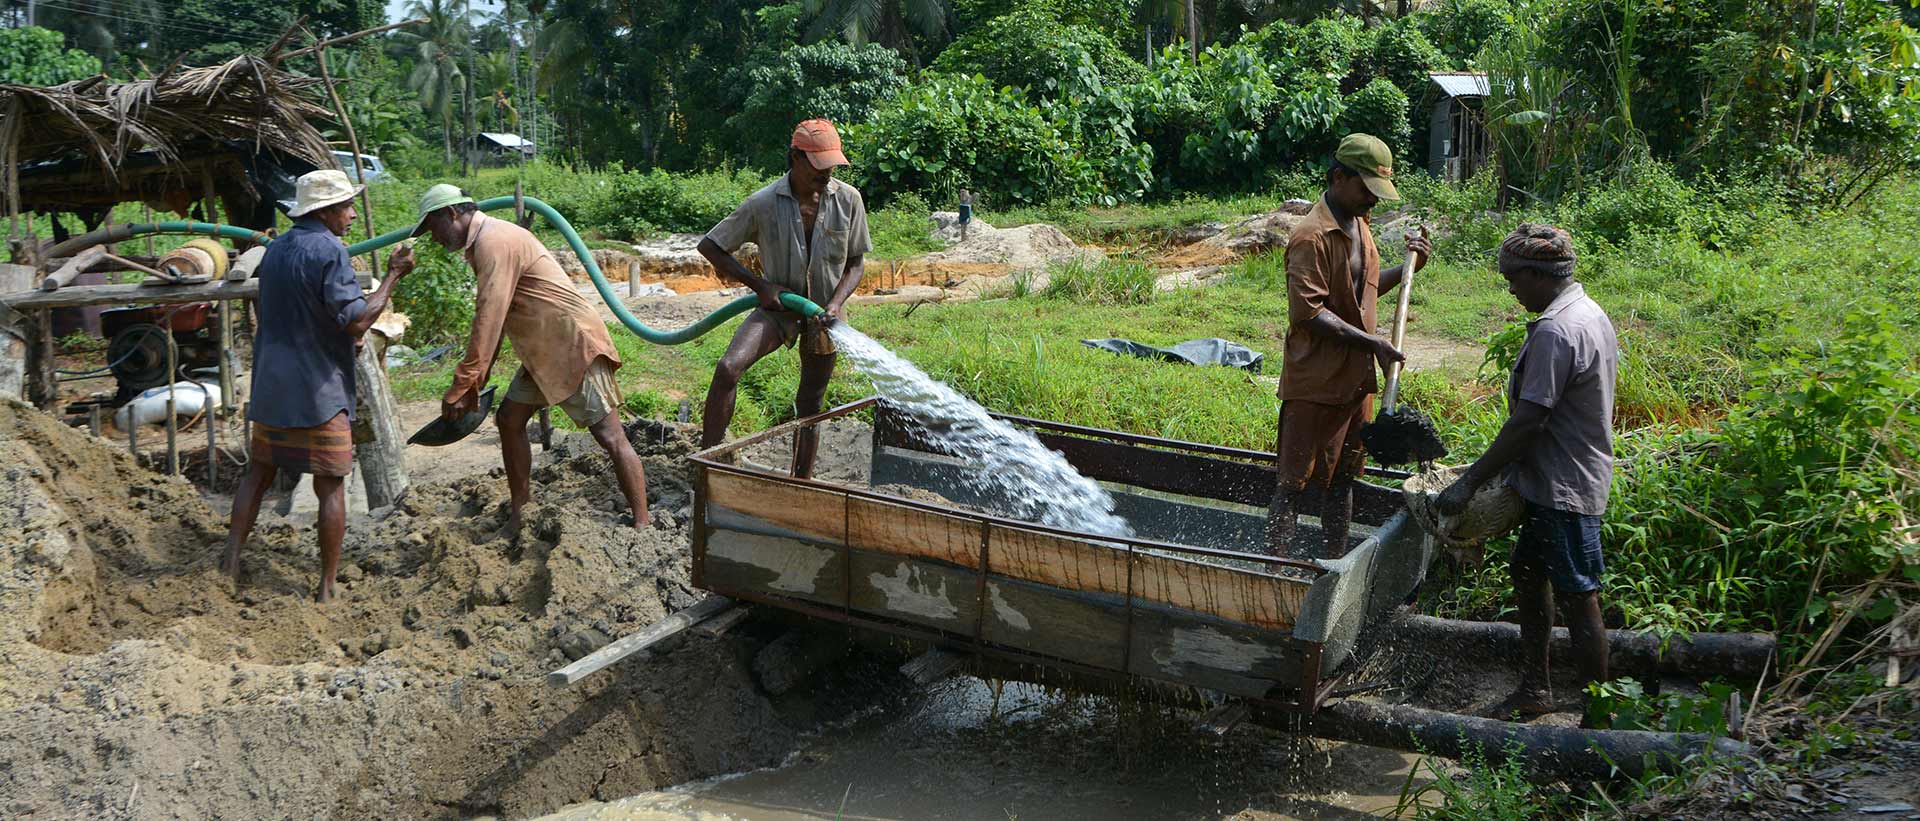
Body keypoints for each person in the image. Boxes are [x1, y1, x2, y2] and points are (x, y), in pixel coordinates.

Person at [1437, 223, 1618, 718]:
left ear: (1539, 275)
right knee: (1528, 571)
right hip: (1552, 477)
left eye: (1513, 279)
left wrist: (1469, 481)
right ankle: (1536, 689)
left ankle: (1599, 721)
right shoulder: (1586, 311)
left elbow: (1528, 422)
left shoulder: (1559, 331)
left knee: (1580, 596)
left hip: (1564, 483)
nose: (1511, 289)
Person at [223, 169, 414, 602]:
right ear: (326, 212)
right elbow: (357, 320)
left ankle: (230, 561)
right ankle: (326, 587)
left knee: (258, 473)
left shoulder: (277, 249)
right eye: (346, 207)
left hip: (272, 383)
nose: (351, 215)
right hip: (317, 388)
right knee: (330, 482)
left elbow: (296, 309)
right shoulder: (330, 250)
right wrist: (393, 275)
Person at [415, 184, 650, 531]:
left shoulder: (494, 242)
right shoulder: (487, 241)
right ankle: (520, 510)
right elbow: (494, 323)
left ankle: (642, 524)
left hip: (571, 344)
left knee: (610, 435)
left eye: (432, 228)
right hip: (542, 351)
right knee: (509, 420)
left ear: (451, 214)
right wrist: (474, 380)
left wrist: (464, 382)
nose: (434, 238)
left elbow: (488, 316)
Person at [1268, 134, 1432, 560]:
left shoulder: (1360, 225)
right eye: (1366, 191)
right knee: (1293, 486)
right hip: (1316, 385)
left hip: (1355, 384)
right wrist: (1371, 342)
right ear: (1338, 177)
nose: (1372, 202)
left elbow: (1364, 295)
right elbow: (1308, 313)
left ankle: (1334, 567)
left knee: (1343, 483)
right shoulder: (1311, 237)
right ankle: (1273, 568)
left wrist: (1410, 266)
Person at [697, 119, 870, 477]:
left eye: (832, 165)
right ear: (795, 157)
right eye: (819, 165)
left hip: (826, 314)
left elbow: (855, 263)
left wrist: (836, 304)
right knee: (728, 368)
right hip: (778, 309)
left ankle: (800, 481)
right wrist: (761, 286)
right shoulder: (763, 203)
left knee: (810, 402)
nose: (827, 173)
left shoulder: (849, 199)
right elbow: (710, 246)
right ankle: (708, 464)